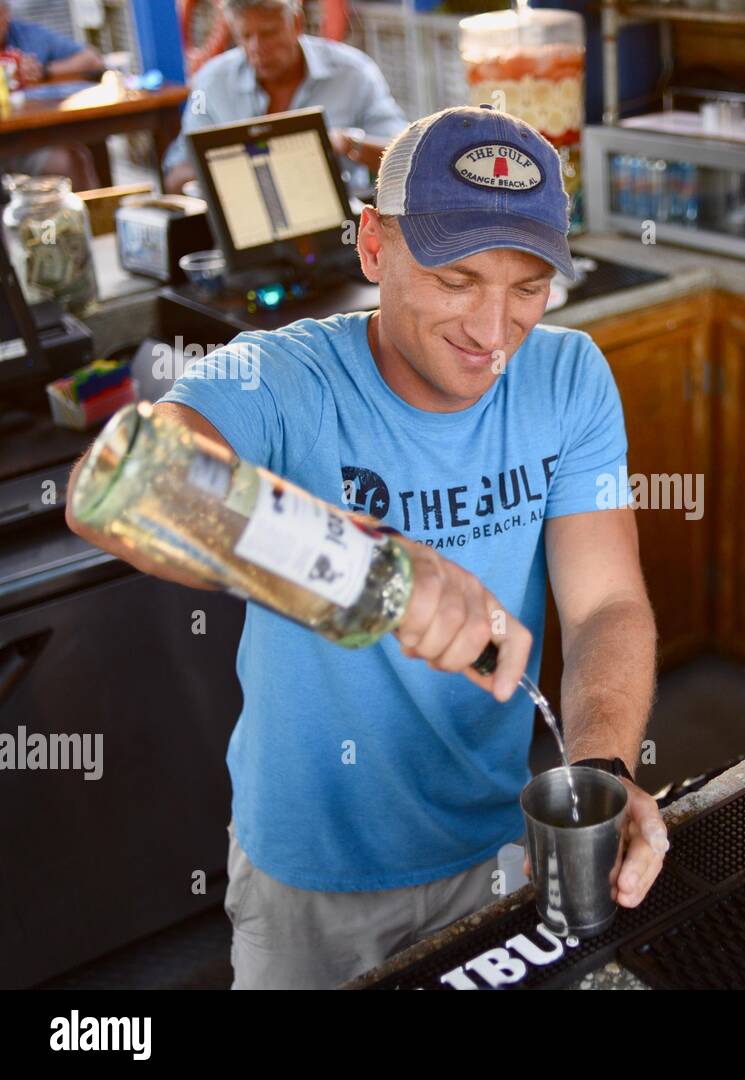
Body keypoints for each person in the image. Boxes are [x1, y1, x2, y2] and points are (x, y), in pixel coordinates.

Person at [67, 105, 667, 990]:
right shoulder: (276, 374)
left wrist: (603, 772)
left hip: (499, 845)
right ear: (375, 245)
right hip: (311, 875)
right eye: (458, 280)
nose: (494, 332)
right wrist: (369, 566)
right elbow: (115, 493)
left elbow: (608, 604)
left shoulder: (570, 376)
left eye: (529, 286)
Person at [164, 0, 407, 194]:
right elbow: (176, 175)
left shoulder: (355, 72)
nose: (257, 47)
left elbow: (406, 157)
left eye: (269, 33)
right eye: (245, 36)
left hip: (341, 230)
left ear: (297, 22)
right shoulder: (210, 82)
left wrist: (347, 143)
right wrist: (227, 166)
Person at [0, 0, 104, 189]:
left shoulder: (26, 36)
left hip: (27, 142)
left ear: (6, 14)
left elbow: (92, 60)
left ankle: (98, 214)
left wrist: (44, 71)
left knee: (74, 159)